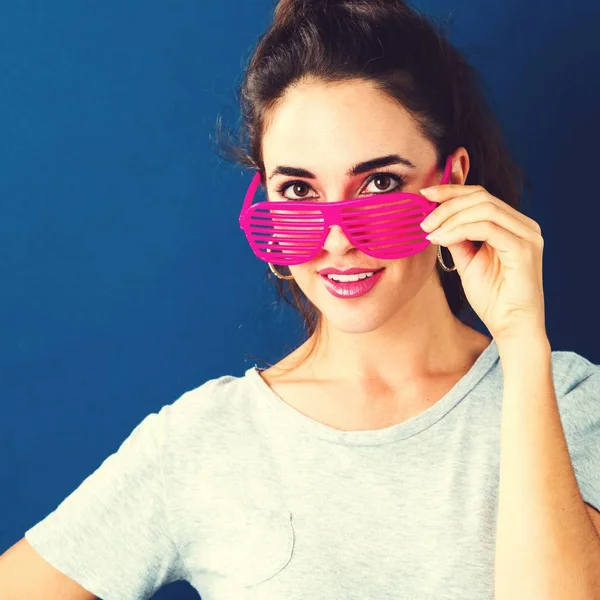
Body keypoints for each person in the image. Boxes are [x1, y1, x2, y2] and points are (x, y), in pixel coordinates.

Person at [2, 1, 599, 599]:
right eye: (297, 190)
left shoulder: (571, 402)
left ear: (453, 182)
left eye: (380, 183)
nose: (337, 241)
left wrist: (524, 346)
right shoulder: (206, 441)